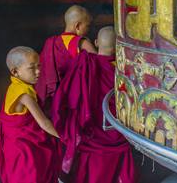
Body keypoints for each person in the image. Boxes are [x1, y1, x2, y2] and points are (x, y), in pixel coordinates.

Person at [52, 26, 137, 183]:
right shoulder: (123, 71)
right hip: (116, 130)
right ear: (119, 47)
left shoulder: (83, 63)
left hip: (90, 129)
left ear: (96, 42)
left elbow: (65, 95)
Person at [0, 46, 60, 183]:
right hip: (24, 149)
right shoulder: (23, 94)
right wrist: (65, 137)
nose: (38, 72)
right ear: (15, 71)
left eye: (39, 66)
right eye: (32, 68)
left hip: (16, 145)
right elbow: (43, 122)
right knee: (32, 176)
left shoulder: (15, 86)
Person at [35, 5, 97, 112]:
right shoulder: (81, 42)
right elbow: (99, 65)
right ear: (77, 26)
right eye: (87, 26)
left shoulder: (51, 43)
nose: (89, 30)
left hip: (56, 97)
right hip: (76, 98)